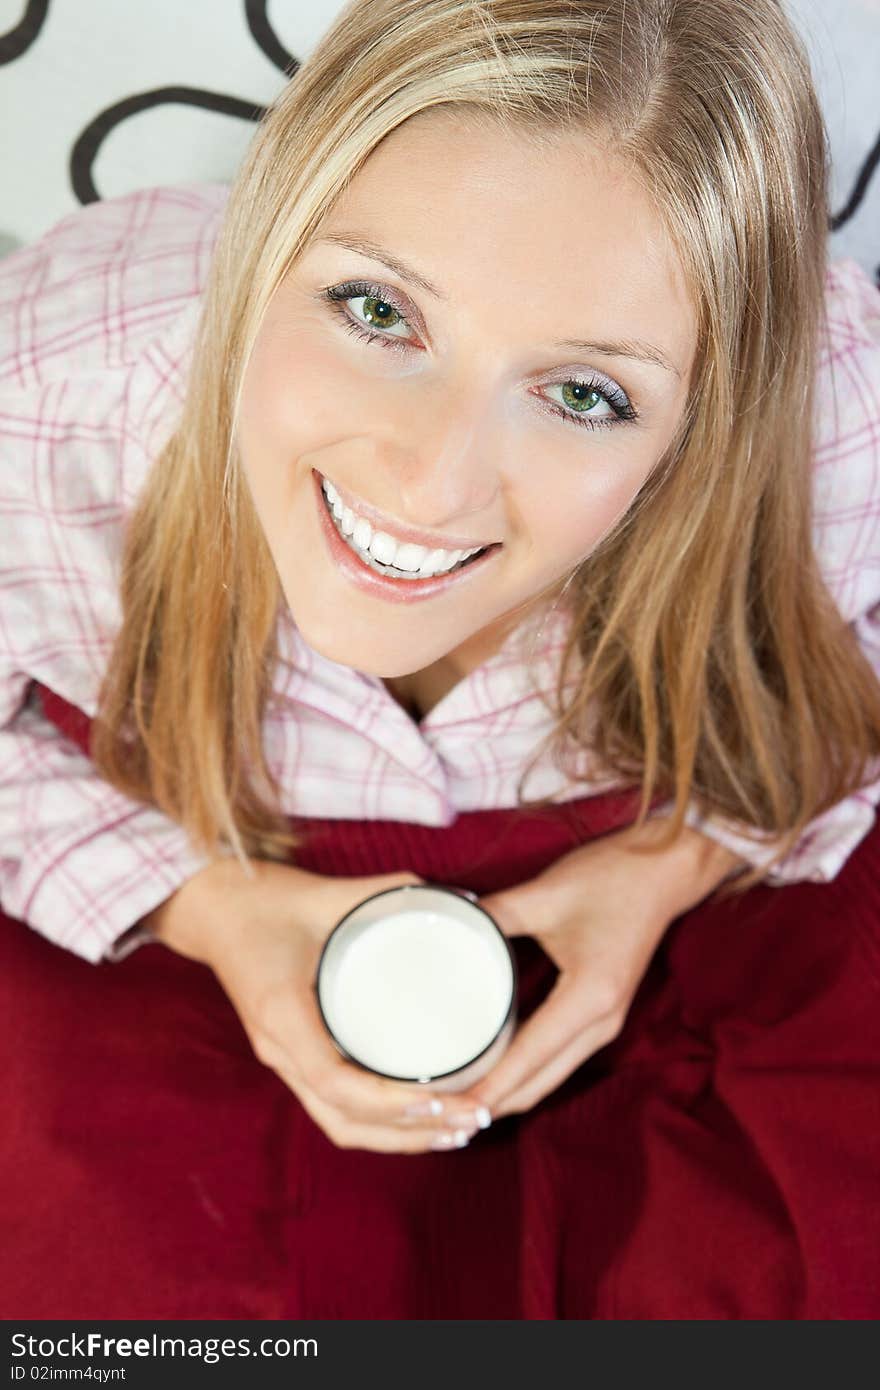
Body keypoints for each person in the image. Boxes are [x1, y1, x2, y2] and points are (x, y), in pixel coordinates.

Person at [1, 0, 878, 1319]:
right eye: (375, 309)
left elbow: (849, 699)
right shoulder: (69, 372)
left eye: (587, 392)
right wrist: (194, 901)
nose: (431, 480)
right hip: (170, 927)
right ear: (272, 227)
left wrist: (668, 862)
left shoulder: (828, 413)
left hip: (676, 930)